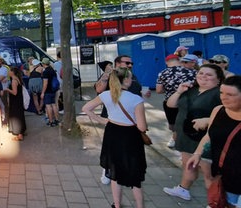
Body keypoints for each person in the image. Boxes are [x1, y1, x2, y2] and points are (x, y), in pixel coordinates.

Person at [82, 67, 147, 208]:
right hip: (130, 135)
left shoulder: (106, 95)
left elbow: (86, 108)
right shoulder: (136, 99)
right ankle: (140, 206)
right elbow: (142, 127)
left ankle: (117, 205)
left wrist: (102, 120)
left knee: (114, 171)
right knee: (134, 174)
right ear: (125, 80)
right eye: (130, 77)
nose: (132, 79)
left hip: (112, 132)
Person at [163, 64, 225, 201]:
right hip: (185, 136)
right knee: (188, 164)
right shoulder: (191, 90)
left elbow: (230, 114)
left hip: (205, 138)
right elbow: (171, 104)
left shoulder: (220, 93)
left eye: (209, 75)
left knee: (208, 172)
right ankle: (183, 189)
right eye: (201, 73)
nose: (203, 76)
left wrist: (208, 119)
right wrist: (179, 91)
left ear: (218, 79)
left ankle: (217, 201)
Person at [187, 76, 241, 208]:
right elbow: (209, 135)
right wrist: (197, 154)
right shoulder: (218, 111)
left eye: (230, 94)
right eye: (222, 93)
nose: (224, 97)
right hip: (222, 177)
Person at [156, 54, 197, 148]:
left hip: (170, 102)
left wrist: (169, 90)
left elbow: (158, 90)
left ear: (166, 62)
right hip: (189, 102)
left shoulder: (163, 73)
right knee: (189, 121)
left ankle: (174, 138)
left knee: (173, 123)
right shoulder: (192, 72)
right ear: (179, 60)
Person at [5, 67, 27, 141]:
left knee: (16, 115)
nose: (8, 72)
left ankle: (19, 134)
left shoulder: (14, 81)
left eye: (10, 71)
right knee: (20, 114)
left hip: (15, 101)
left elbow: (14, 92)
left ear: (12, 72)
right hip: (18, 100)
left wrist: (7, 89)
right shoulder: (18, 79)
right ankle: (22, 131)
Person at [40, 58, 60, 127]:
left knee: (48, 106)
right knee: (54, 105)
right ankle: (57, 120)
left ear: (43, 64)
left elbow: (45, 83)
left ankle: (51, 121)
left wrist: (42, 92)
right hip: (53, 90)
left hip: (47, 91)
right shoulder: (52, 70)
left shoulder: (46, 72)